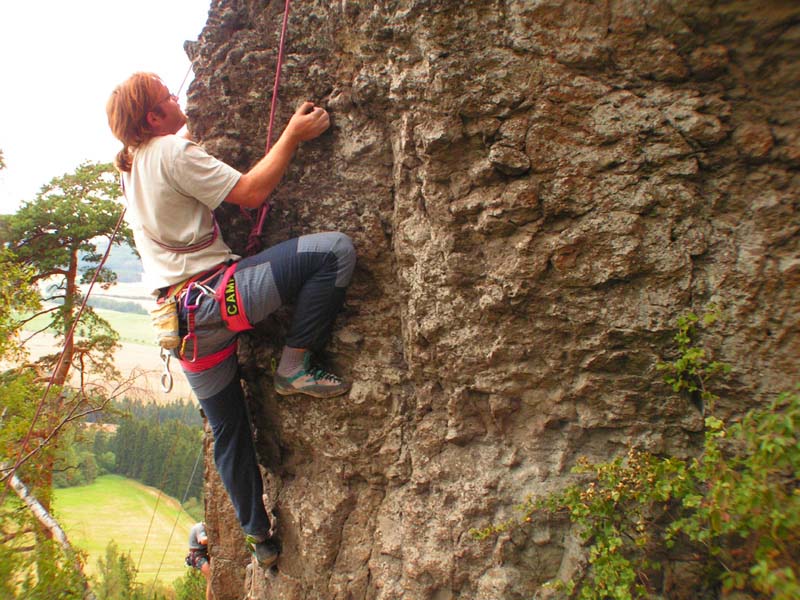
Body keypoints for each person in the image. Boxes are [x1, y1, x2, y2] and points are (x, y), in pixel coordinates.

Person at [106, 73, 356, 567]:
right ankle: (295, 366)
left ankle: (259, 537)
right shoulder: (171, 152)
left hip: (183, 330)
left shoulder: (131, 168)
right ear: (153, 117)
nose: (177, 100)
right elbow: (251, 193)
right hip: (218, 301)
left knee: (229, 432)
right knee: (335, 251)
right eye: (167, 98)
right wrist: (292, 135)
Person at [187, 522, 212, 600]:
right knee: (211, 578)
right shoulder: (200, 527)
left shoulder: (203, 527)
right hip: (197, 556)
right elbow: (202, 540)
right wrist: (216, 538)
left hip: (203, 554)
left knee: (213, 577)